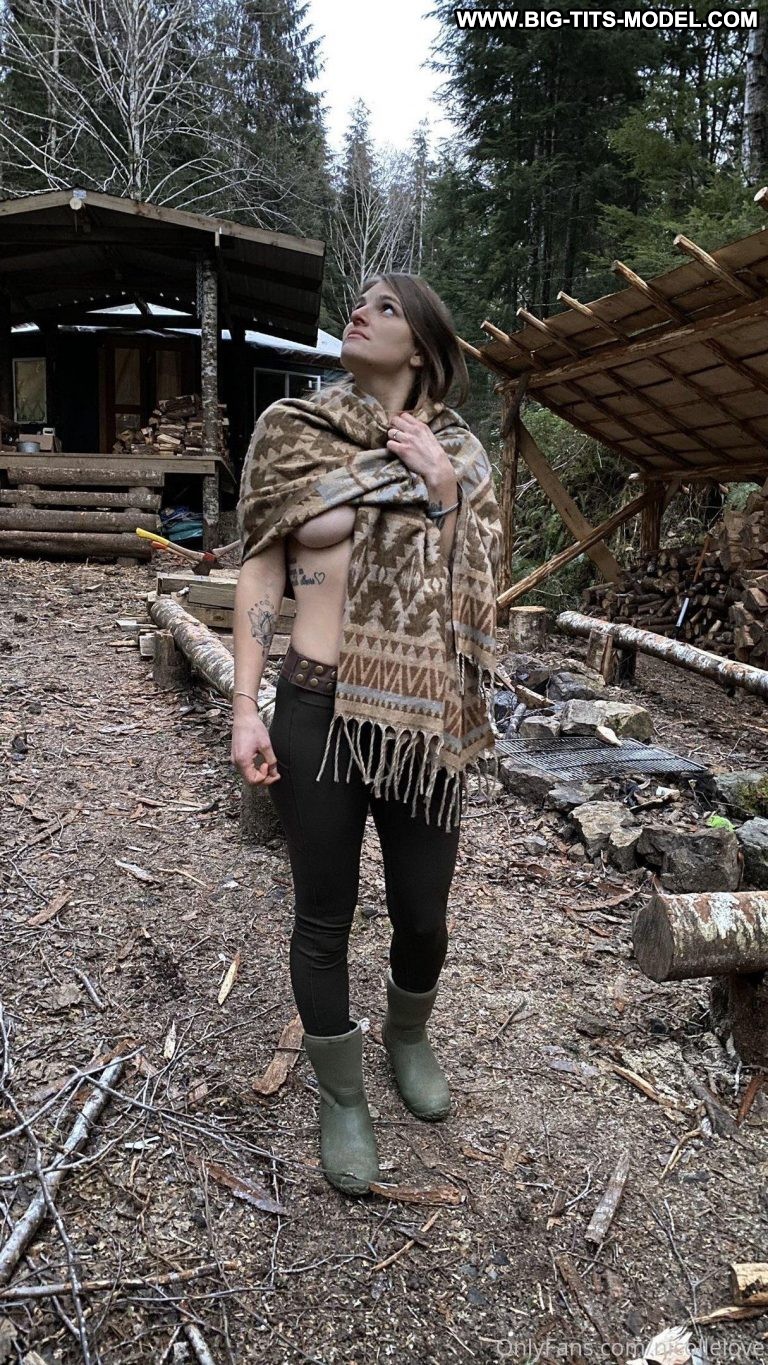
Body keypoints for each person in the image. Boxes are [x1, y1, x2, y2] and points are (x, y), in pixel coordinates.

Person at [232, 274, 502, 1195]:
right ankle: (342, 1096)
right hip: (314, 707)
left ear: (421, 346)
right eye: (362, 300)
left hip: (423, 717)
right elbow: (262, 573)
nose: (361, 311)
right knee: (323, 914)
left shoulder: (458, 455)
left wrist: (442, 490)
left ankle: (408, 1034)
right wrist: (244, 705)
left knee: (423, 910)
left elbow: (481, 595)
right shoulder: (291, 432)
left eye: (386, 307)